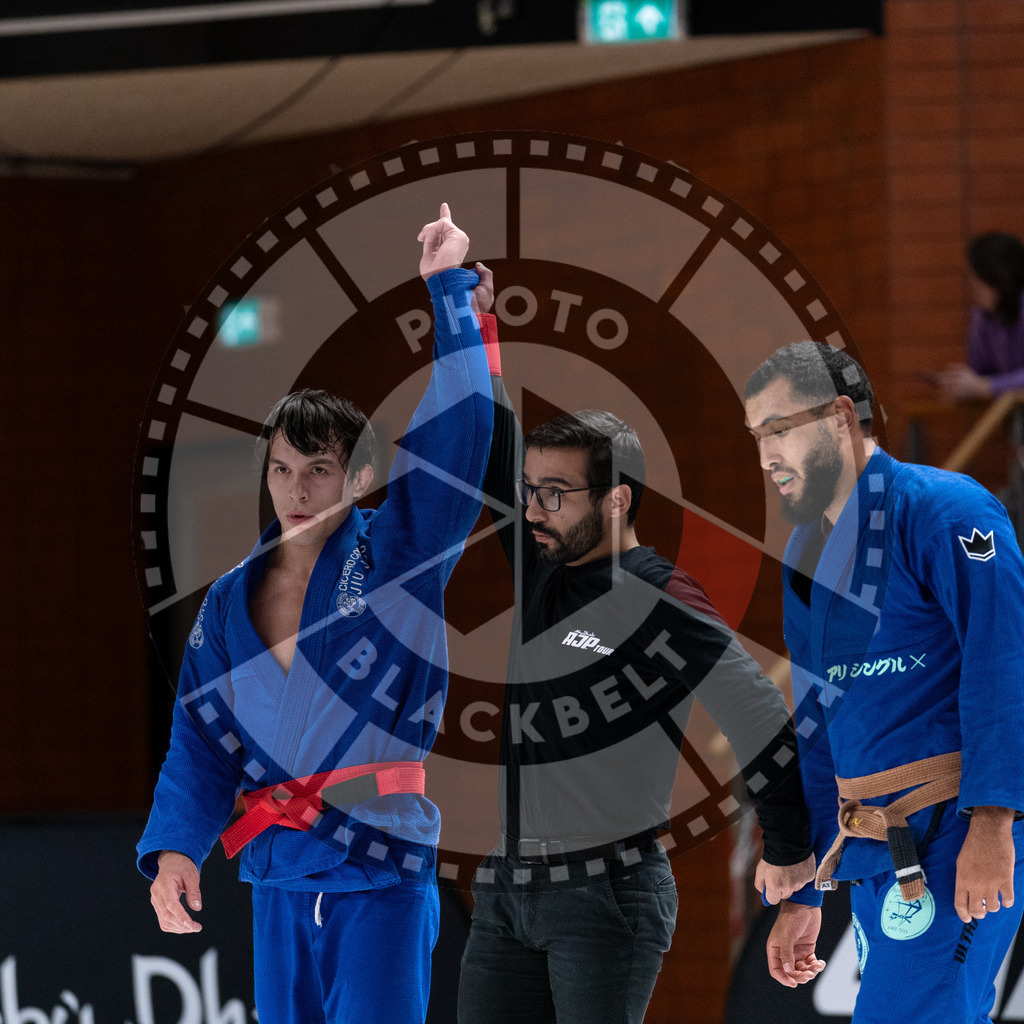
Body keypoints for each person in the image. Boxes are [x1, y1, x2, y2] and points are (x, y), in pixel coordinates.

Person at [136, 204, 496, 1024]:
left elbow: (457, 443)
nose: (297, 491)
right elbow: (200, 738)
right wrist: (176, 849)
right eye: (283, 470)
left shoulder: (399, 558)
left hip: (379, 866)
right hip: (278, 872)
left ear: (359, 478)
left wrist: (448, 294)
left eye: (320, 470)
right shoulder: (228, 600)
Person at [456, 273, 815, 1024]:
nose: (534, 511)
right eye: (531, 491)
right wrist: (473, 321)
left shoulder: (661, 596)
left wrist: (790, 857)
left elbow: (758, 714)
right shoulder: (543, 569)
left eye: (556, 494)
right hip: (508, 886)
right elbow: (494, 448)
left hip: (605, 893)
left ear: (617, 498)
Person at [744, 341, 1024, 1023]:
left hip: (956, 830)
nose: (766, 457)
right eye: (758, 438)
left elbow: (1004, 664)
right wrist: (804, 889)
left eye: (779, 431)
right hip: (872, 846)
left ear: (842, 417)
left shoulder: (946, 511)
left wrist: (994, 823)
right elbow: (819, 727)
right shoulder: (805, 552)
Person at [934, 231, 1024, 401]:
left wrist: (987, 386)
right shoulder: (982, 315)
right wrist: (961, 383)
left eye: (977, 278)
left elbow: (985, 384)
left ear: (999, 276)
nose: (972, 286)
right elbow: (980, 372)